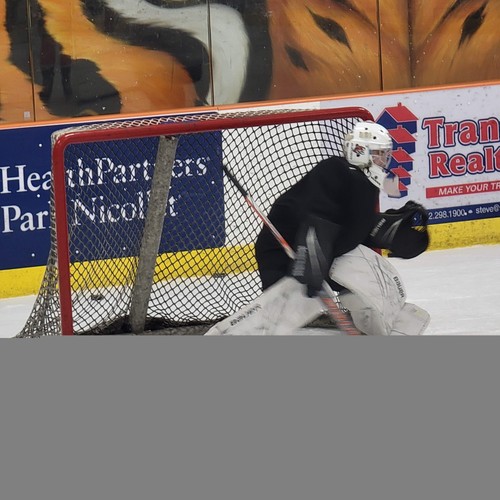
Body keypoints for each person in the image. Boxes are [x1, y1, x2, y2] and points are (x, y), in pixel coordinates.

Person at [206, 121, 430, 336]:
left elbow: (353, 226)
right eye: (379, 154)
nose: (383, 160)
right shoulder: (336, 169)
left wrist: (386, 229)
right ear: (360, 151)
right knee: (280, 311)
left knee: (358, 274)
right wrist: (312, 253)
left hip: (321, 251)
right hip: (283, 250)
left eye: (385, 154)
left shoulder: (364, 182)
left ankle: (375, 320)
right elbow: (312, 212)